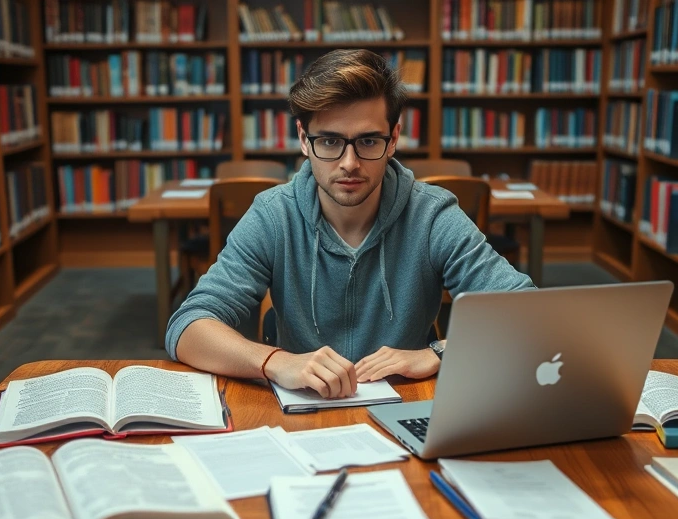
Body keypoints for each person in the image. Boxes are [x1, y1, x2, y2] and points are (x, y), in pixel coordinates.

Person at [166, 49, 535, 399]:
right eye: (329, 141)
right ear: (303, 140)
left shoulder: (432, 216)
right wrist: (276, 361)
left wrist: (439, 351)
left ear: (393, 139)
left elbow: (530, 315)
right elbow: (188, 327)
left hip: (407, 405)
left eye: (368, 141)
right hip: (303, 410)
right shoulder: (273, 215)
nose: (349, 163)